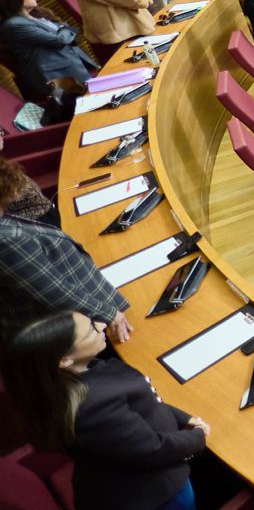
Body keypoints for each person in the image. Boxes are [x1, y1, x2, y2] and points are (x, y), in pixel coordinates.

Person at [1, 311, 209, 510]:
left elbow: (146, 400)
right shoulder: (92, 406)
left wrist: (185, 418)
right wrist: (198, 436)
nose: (101, 325)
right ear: (64, 360)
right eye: (91, 329)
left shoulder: (78, 373)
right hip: (156, 495)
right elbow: (153, 450)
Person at [0, 166, 131, 344]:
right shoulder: (7, 240)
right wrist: (108, 314)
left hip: (82, 310)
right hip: (72, 330)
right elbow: (54, 291)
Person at [0, 0, 94, 109]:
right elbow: (60, 39)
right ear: (16, 2)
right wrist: (66, 29)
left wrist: (65, 29)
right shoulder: (14, 25)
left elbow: (63, 28)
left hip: (72, 64)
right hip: (57, 75)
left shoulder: (34, 15)